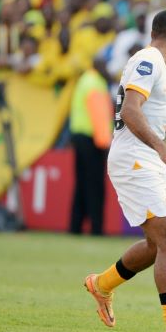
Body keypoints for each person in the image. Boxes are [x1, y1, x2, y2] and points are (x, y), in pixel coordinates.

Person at [84, 9, 166, 332]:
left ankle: (102, 283)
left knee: (158, 245)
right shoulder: (151, 59)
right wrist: (162, 146)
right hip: (137, 157)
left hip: (144, 159)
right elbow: (130, 110)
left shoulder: (151, 62)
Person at [69, 57, 113, 235]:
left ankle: (75, 226)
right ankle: (96, 228)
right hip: (92, 140)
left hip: (79, 136)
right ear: (97, 65)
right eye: (104, 65)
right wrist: (105, 145)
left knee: (81, 185)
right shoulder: (96, 84)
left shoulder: (85, 80)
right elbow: (100, 117)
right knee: (95, 186)